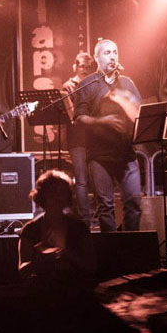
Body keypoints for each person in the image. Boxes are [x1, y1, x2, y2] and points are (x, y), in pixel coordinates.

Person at [72, 39, 143, 233]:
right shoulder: (87, 84)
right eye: (107, 53)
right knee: (106, 206)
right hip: (100, 155)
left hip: (126, 153)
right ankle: (110, 248)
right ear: (97, 58)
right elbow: (79, 118)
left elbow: (140, 112)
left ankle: (130, 244)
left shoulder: (127, 83)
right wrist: (103, 121)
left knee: (134, 203)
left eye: (115, 52)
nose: (112, 57)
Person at [18, 170, 96, 282]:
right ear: (42, 196)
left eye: (61, 193)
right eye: (52, 193)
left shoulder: (79, 228)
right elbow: (22, 271)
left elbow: (91, 266)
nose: (57, 198)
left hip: (73, 288)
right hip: (41, 288)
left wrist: (68, 255)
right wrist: (40, 261)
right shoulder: (30, 229)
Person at [61, 51, 99, 226]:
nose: (84, 69)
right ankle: (85, 220)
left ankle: (99, 216)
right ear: (74, 66)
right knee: (82, 181)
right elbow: (72, 115)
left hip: (94, 137)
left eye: (88, 67)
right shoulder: (68, 86)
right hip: (77, 138)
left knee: (97, 179)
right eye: (81, 66)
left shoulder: (94, 83)